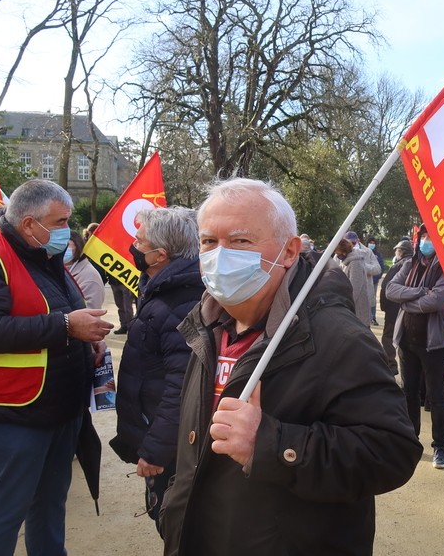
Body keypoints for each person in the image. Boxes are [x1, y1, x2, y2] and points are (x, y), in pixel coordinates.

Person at [158, 178, 421, 554]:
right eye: (209, 242)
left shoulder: (338, 338)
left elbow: (393, 451)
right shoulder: (206, 326)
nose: (220, 255)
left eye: (241, 241)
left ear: (289, 251)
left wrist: (269, 444)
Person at [0, 179, 114, 555]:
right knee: (6, 509)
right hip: (11, 411)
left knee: (50, 503)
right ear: (28, 224)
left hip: (57, 407)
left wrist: (89, 339)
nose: (67, 231)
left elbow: (59, 310)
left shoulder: (44, 254)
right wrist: (68, 326)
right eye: (60, 221)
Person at [110, 207, 204, 532]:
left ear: (159, 255)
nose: (133, 246)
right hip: (162, 436)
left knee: (176, 524)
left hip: (173, 448)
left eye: (139, 241)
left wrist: (156, 450)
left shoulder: (181, 302)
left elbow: (181, 386)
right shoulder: (160, 287)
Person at [386, 223, 444, 470]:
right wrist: (419, 292)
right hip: (406, 341)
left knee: (436, 396)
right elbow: (391, 289)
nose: (426, 241)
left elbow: (436, 301)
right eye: (423, 236)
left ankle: (440, 447)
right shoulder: (409, 264)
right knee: (408, 393)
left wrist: (408, 301)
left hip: (433, 344)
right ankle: (410, 440)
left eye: (431, 236)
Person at [379, 238, 413, 374]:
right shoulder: (417, 265)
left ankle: (390, 366)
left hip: (393, 310)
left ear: (401, 252)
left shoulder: (397, 267)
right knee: (406, 341)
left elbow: (385, 288)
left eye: (397, 251)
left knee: (388, 337)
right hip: (411, 311)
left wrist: (384, 307)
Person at [335, 237, 382, 325]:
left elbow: (355, 288)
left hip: (358, 310)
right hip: (353, 309)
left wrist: (346, 305)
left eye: (338, 253)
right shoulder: (347, 261)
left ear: (344, 252)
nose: (337, 256)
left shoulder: (355, 263)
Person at [65, 230, 106, 310]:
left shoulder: (90, 277)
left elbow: (92, 313)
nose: (62, 249)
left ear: (78, 246)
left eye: (67, 245)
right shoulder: (57, 270)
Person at [366, 236, 385, 325]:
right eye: (370, 243)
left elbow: (381, 267)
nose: (372, 245)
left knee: (372, 299)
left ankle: (373, 317)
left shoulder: (378, 254)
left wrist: (376, 278)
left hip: (374, 281)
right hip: (365, 280)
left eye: (373, 243)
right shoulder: (364, 252)